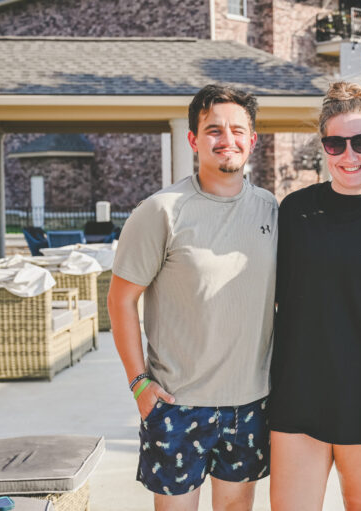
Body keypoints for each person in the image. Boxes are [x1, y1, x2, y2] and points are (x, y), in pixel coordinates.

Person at [108, 84, 277, 511]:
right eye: (214, 130)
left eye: (237, 130)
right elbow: (120, 300)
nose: (227, 140)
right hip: (177, 404)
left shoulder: (270, 209)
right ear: (193, 140)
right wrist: (139, 384)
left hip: (249, 404)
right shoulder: (161, 210)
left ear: (253, 140)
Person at [269, 81, 361, 511]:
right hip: (299, 390)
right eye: (336, 144)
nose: (349, 155)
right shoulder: (295, 211)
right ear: (324, 147)